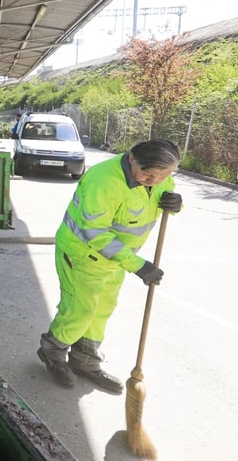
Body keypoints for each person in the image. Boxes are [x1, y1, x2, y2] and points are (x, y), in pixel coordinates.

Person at [37, 139, 183, 394]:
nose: (156, 180)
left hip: (116, 260)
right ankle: (52, 351)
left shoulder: (160, 177)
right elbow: (96, 233)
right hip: (83, 255)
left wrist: (176, 203)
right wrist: (138, 266)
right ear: (131, 159)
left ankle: (86, 362)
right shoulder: (103, 181)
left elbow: (163, 192)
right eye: (149, 174)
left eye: (164, 175)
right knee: (81, 310)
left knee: (102, 310)